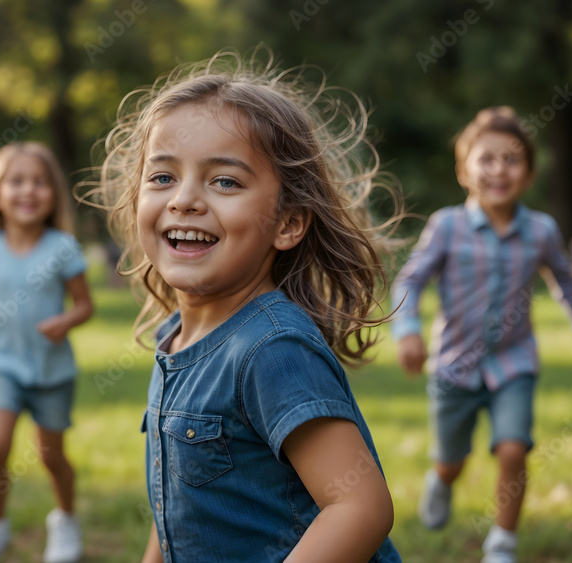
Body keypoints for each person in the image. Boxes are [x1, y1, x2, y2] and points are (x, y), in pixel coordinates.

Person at [93, 51, 401, 562]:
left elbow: (360, 508)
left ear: (287, 223)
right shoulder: (177, 337)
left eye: (225, 182)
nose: (184, 200)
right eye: (163, 177)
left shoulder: (271, 348)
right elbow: (175, 503)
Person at [391, 107, 572, 563]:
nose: (498, 169)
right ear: (463, 170)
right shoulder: (446, 226)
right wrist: (408, 330)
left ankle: (502, 543)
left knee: (514, 447)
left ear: (529, 173)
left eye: (511, 159)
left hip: (514, 362)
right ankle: (443, 479)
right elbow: (409, 281)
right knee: (451, 459)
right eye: (486, 159)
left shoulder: (541, 230)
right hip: (453, 364)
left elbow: (569, 286)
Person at [0, 142, 93, 563]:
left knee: (52, 456)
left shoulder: (63, 247)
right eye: (16, 182)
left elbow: (85, 305)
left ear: (52, 192)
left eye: (39, 182)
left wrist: (64, 322)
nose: (28, 191)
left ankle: (66, 520)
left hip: (52, 369)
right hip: (1, 364)